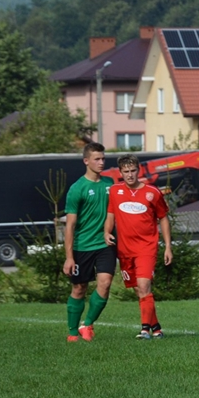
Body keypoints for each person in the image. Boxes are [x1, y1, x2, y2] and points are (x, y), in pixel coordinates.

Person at [104, 154, 173, 339]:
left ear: (139, 170)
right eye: (126, 171)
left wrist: (167, 246)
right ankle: (156, 327)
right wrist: (106, 232)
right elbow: (110, 213)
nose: (130, 175)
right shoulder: (114, 191)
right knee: (139, 290)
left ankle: (144, 329)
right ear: (120, 173)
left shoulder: (153, 192)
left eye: (133, 170)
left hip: (146, 247)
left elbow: (163, 218)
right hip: (125, 249)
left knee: (144, 286)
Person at [62, 142, 115, 342]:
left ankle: (88, 324)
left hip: (105, 245)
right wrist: (69, 257)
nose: (101, 162)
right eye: (97, 159)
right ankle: (73, 332)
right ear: (86, 161)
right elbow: (70, 226)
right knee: (79, 288)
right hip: (82, 246)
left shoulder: (110, 184)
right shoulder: (77, 189)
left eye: (103, 158)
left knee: (105, 283)